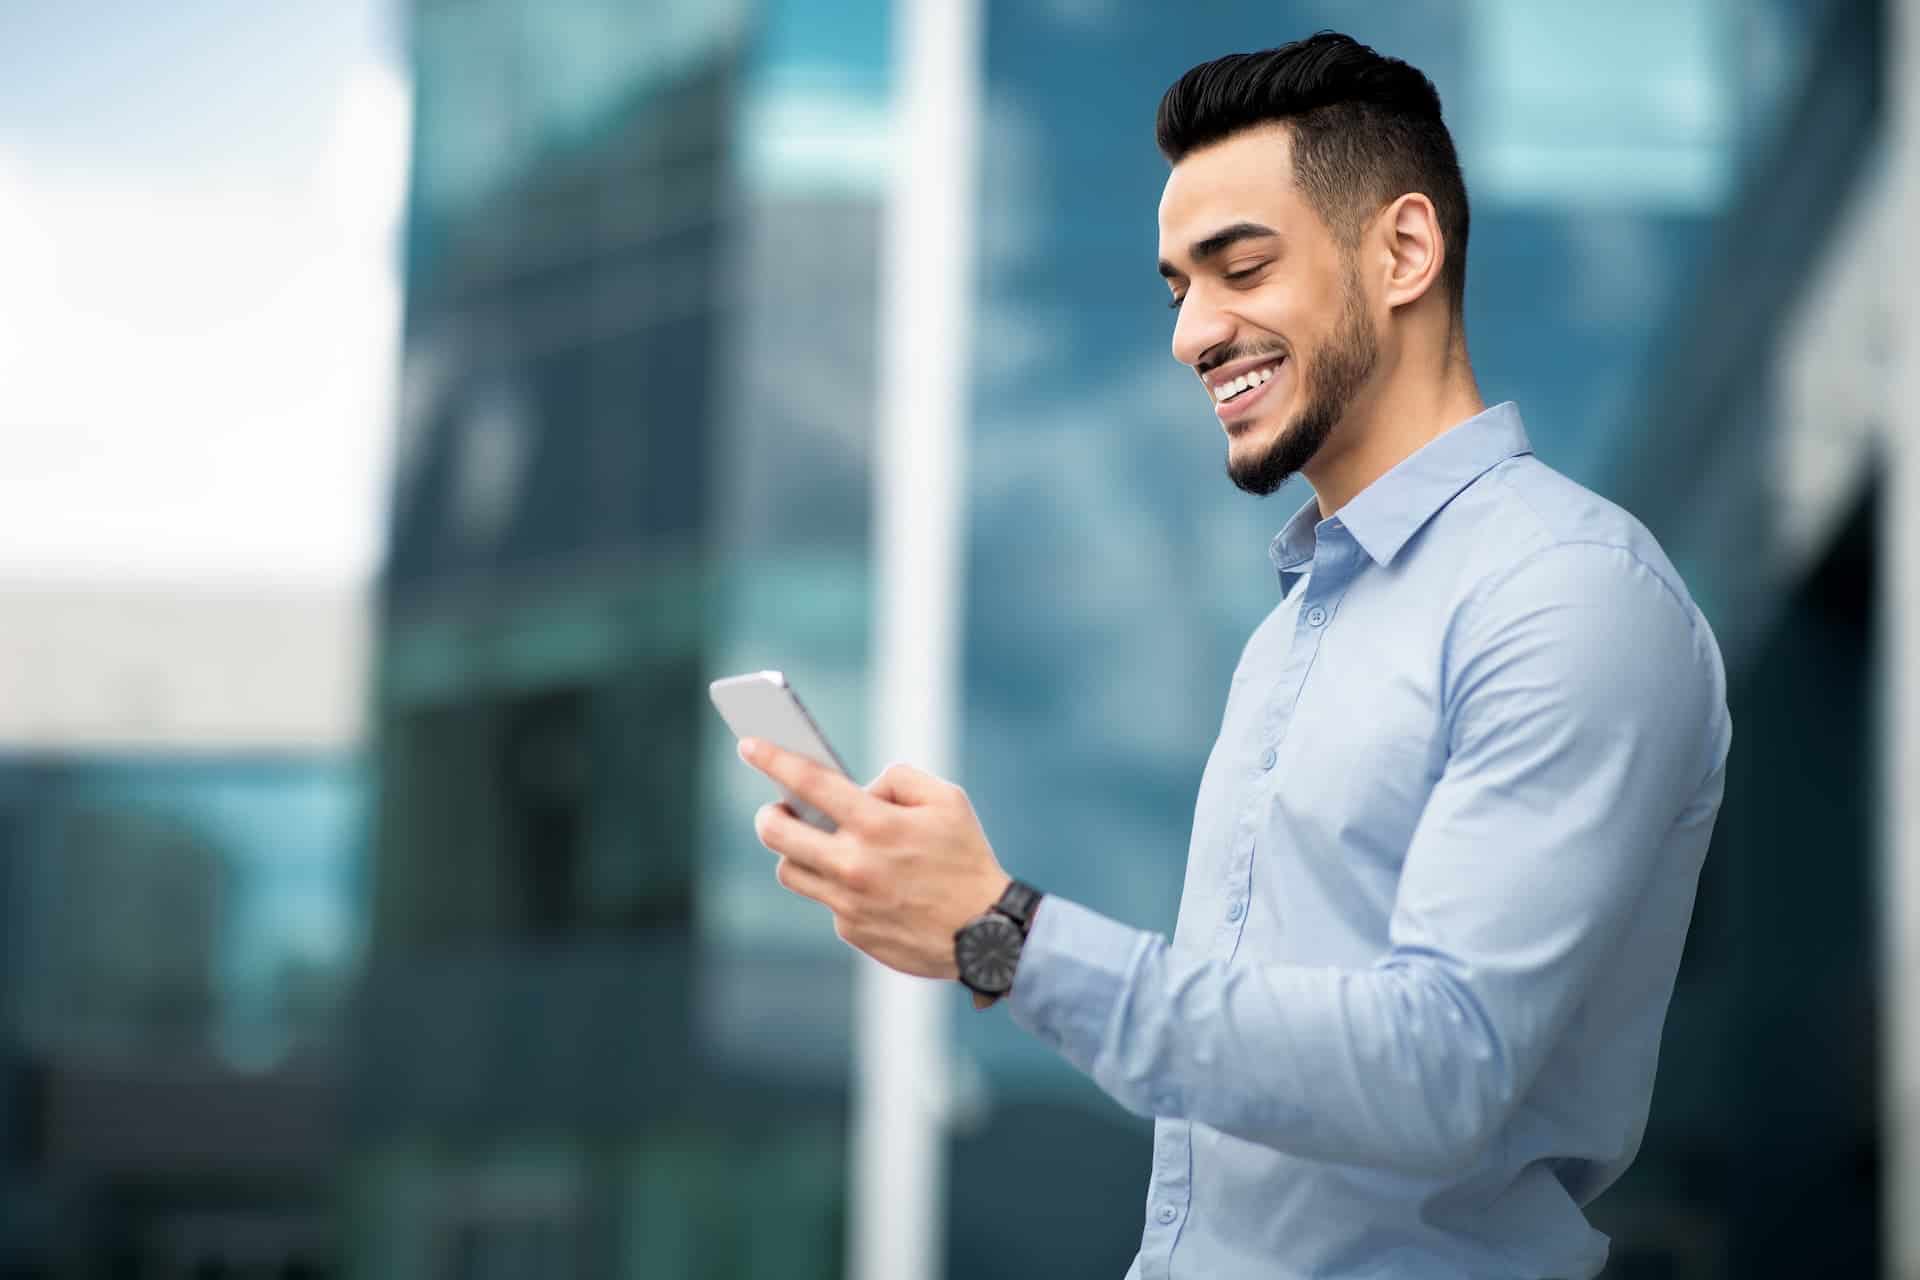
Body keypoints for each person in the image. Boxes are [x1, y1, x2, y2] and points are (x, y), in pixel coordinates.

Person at [739, 30, 1730, 1280]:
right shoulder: (1286, 639)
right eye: (1175, 289)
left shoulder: (1571, 594)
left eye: (1239, 267)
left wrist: (1003, 931)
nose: (1191, 332)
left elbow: (1446, 1062)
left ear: (1404, 250)